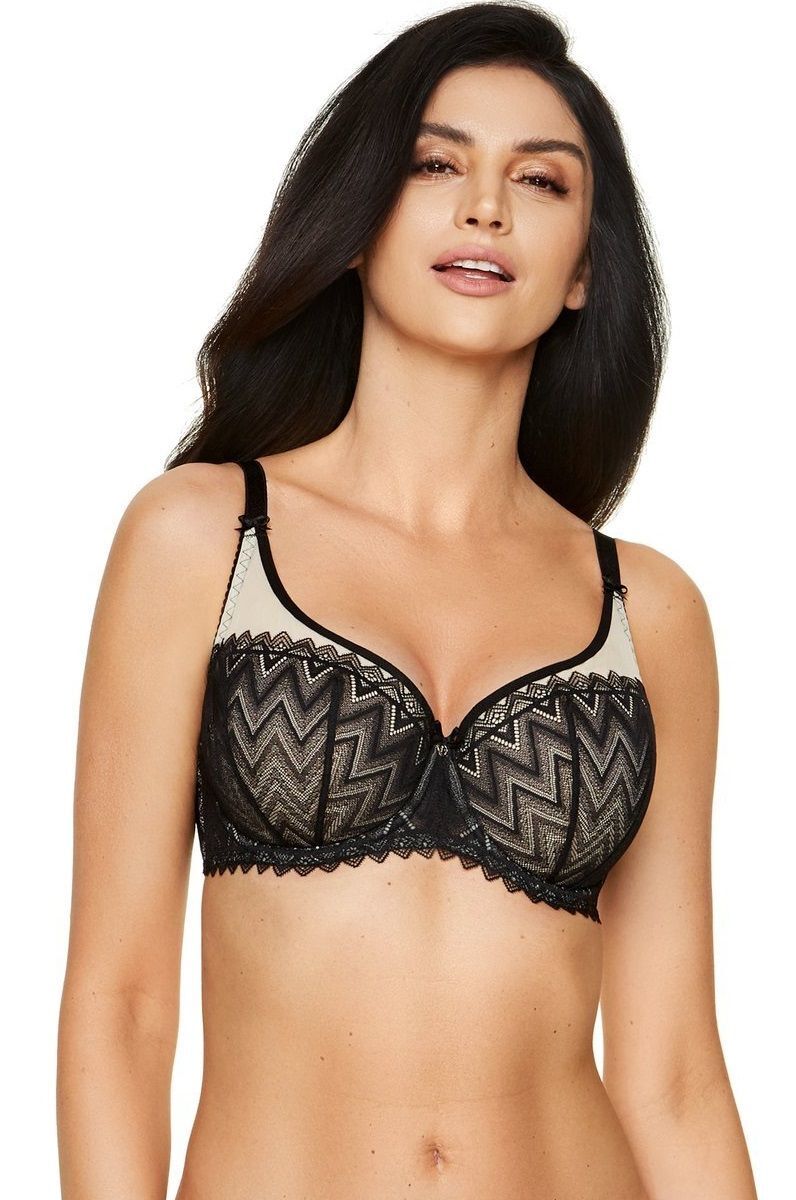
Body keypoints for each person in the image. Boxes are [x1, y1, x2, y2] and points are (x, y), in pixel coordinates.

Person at [56, 3, 758, 1197]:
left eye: (541, 181)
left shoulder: (651, 610)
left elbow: (674, 1074)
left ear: (584, 270)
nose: (486, 206)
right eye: (436, 165)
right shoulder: (202, 539)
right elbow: (121, 1008)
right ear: (354, 224)